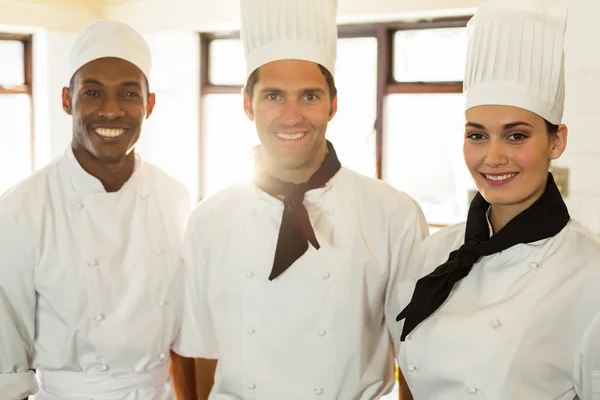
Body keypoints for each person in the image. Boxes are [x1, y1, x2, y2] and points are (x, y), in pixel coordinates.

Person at [170, 0, 429, 398]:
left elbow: (414, 351)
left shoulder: (394, 213)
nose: (291, 116)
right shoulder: (208, 219)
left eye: (309, 96)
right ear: (247, 104)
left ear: (333, 104)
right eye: (273, 96)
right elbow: (201, 351)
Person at [395, 0, 600, 398]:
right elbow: (409, 378)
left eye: (516, 135)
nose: (493, 157)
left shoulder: (589, 272)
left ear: (556, 141)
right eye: (477, 135)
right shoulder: (435, 252)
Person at [0, 20, 191, 400]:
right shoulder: (21, 209)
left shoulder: (174, 197)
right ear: (67, 100)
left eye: (129, 94)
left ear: (149, 104)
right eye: (92, 92)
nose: (111, 111)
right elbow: (6, 361)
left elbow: (185, 335)